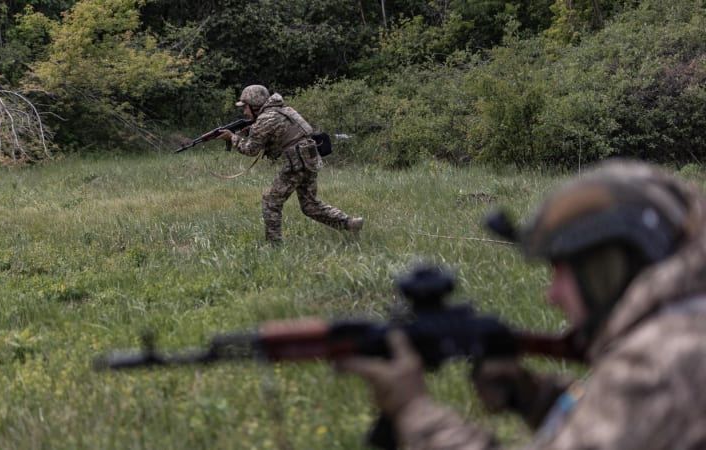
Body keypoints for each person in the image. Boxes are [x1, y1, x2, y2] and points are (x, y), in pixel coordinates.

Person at [338, 159, 706, 449]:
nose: (552, 294)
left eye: (563, 270)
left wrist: (414, 412)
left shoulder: (659, 362)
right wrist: (537, 398)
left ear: (608, 268)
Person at [216, 84, 363, 244]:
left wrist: (232, 138)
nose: (244, 111)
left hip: (296, 162)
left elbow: (250, 150)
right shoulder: (284, 109)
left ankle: (274, 246)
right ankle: (349, 223)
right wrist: (252, 131)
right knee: (309, 205)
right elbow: (284, 133)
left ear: (255, 105)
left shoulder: (266, 118)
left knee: (271, 202)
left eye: (245, 107)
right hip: (310, 158)